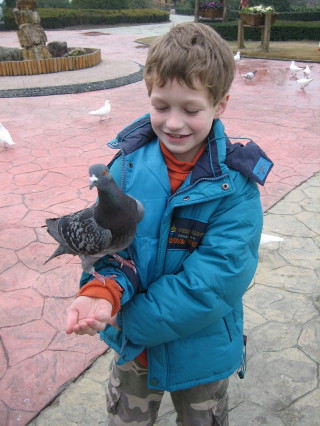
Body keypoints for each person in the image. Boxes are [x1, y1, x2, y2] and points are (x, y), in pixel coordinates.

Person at [66, 22, 273, 425]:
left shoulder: (237, 189)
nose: (174, 123)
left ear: (220, 104)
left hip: (201, 354)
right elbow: (112, 250)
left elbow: (217, 279)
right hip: (134, 358)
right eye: (161, 106)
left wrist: (127, 319)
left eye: (191, 110)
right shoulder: (123, 170)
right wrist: (102, 289)